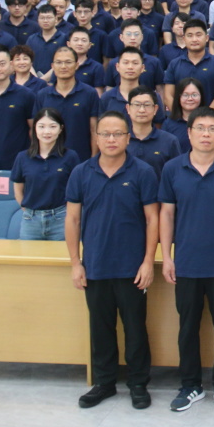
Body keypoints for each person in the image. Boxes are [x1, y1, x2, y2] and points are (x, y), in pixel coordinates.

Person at [158, 107, 214, 414]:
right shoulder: (173, 168)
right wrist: (166, 257)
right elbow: (166, 214)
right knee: (187, 328)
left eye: (212, 129)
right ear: (189, 133)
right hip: (186, 262)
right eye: (200, 128)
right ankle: (190, 385)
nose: (206, 134)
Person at [66, 111, 159, 410]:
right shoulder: (81, 172)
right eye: (105, 134)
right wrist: (75, 263)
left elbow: (152, 219)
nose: (111, 139)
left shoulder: (143, 172)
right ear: (96, 138)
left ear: (128, 138)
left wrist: (148, 261)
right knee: (100, 328)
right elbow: (73, 219)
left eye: (118, 134)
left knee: (135, 328)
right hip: (95, 265)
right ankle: (104, 383)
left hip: (132, 267)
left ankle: (138, 383)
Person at [11, 107, 81, 240]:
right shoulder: (22, 157)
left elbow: (77, 189)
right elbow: (18, 190)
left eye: (52, 126)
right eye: (41, 126)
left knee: (62, 253)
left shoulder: (70, 157)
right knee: (28, 254)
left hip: (61, 219)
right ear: (35, 128)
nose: (47, 131)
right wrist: (28, 211)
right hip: (31, 221)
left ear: (61, 129)